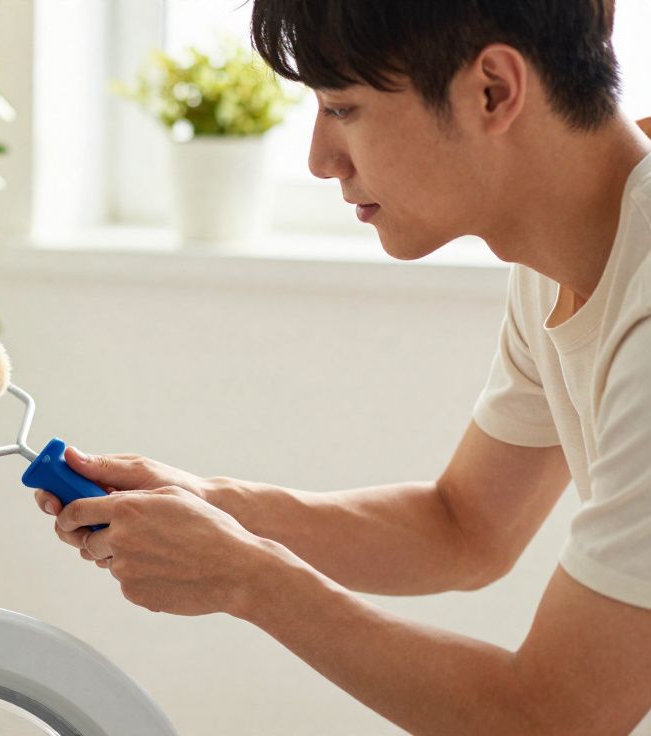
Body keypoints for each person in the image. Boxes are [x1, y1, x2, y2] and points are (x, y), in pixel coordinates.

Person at [34, 1, 651, 733]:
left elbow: (553, 716)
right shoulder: (566, 253)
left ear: (493, 90)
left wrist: (247, 577)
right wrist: (213, 504)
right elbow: (464, 527)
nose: (320, 158)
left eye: (343, 107)